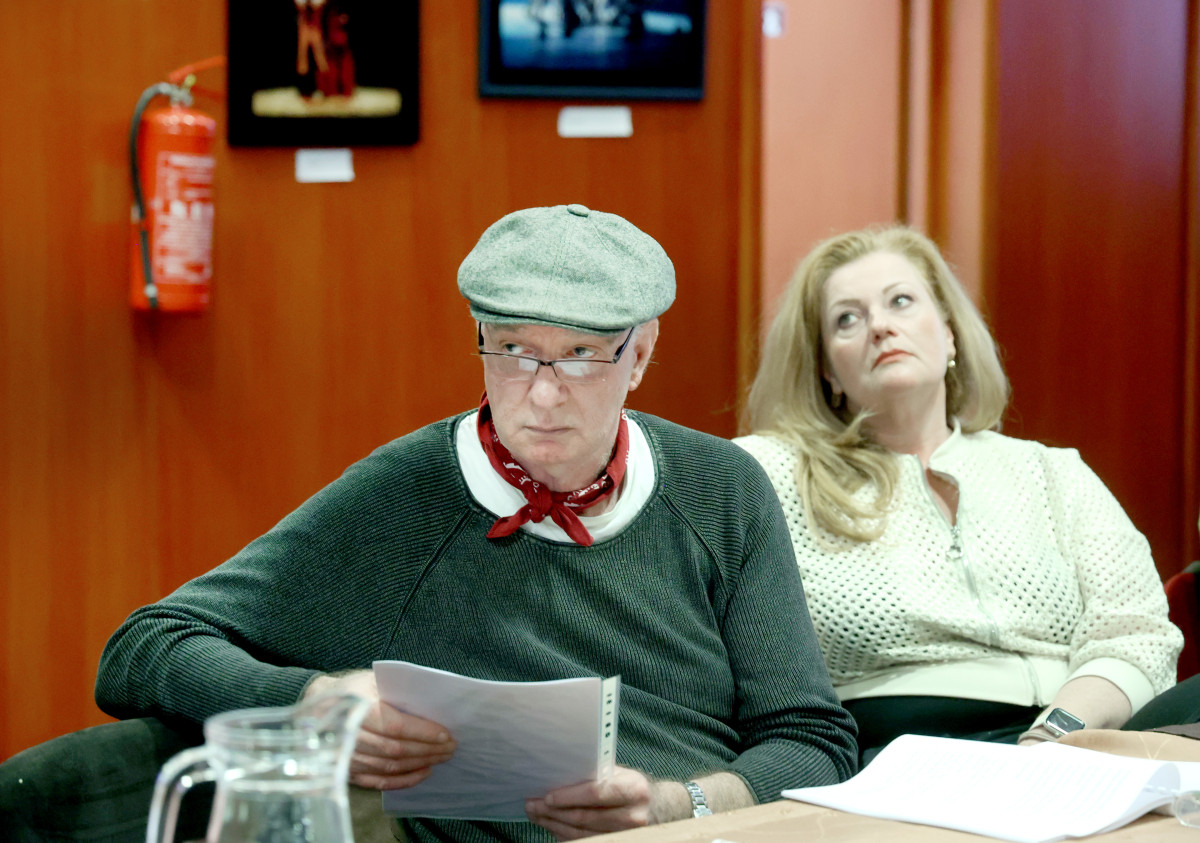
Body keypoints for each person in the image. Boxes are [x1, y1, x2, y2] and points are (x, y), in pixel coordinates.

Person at [96, 203, 857, 840]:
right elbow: (144, 646)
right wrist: (314, 704)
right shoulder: (405, 494)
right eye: (514, 352)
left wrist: (674, 805)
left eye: (581, 355)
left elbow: (811, 741)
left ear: (641, 354)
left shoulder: (721, 488)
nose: (543, 395)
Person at [734, 223, 1185, 764]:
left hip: (1067, 737)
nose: (880, 326)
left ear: (949, 333)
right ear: (828, 369)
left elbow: (1136, 633)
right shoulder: (769, 473)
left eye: (901, 301)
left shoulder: (1050, 472)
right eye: (847, 319)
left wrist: (1052, 737)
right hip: (897, 747)